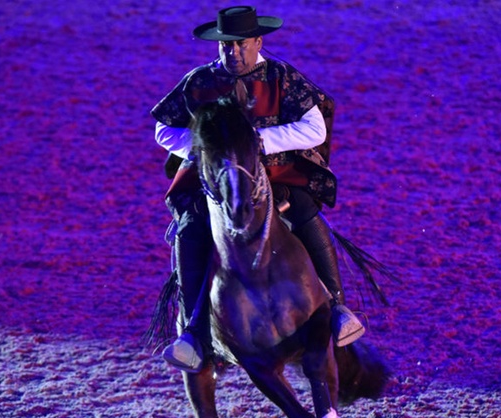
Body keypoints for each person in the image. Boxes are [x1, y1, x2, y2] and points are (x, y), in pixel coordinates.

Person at [151, 6, 363, 373]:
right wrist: (205, 147)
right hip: (217, 180)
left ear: (257, 42)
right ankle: (193, 331)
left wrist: (259, 141)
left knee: (303, 212)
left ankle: (338, 309)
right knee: (190, 228)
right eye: (226, 46)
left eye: (241, 44)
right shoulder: (199, 82)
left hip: (276, 173)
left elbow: (315, 128)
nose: (233, 52)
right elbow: (163, 130)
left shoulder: (282, 77)